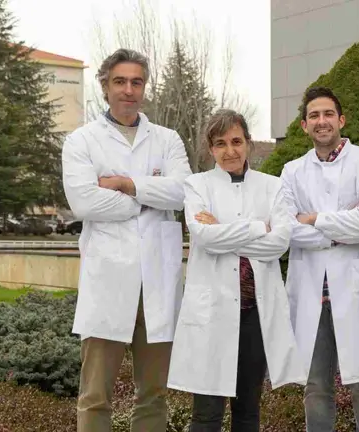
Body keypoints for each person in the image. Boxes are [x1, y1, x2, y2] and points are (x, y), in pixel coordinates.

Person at [61, 48, 192, 431]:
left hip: (158, 284)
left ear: (145, 88)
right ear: (105, 86)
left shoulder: (167, 140)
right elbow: (83, 201)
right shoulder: (82, 141)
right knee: (94, 396)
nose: (129, 90)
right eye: (120, 81)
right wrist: (147, 199)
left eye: (137, 81)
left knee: (154, 395)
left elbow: (184, 193)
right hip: (108, 281)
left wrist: (126, 184)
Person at [166, 109, 306, 431]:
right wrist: (259, 226)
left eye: (236, 141)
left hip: (254, 314)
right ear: (210, 148)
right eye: (220, 144)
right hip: (212, 312)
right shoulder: (197, 185)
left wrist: (224, 231)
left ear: (248, 143)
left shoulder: (273, 187)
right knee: (206, 415)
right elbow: (204, 237)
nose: (230, 151)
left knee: (247, 412)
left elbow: (279, 243)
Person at [280, 87, 359, 431]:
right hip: (312, 291)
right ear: (304, 125)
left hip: (357, 290)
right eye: (314, 115)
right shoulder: (291, 171)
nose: (321, 121)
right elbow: (284, 229)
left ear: (341, 120)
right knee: (315, 387)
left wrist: (312, 218)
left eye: (328, 114)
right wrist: (341, 221)